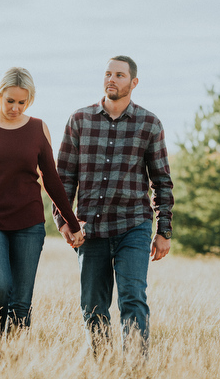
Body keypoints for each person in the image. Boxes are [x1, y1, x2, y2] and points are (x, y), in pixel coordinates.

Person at [54, 56, 174, 356]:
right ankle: (104, 365)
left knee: (133, 297)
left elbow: (161, 181)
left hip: (133, 224)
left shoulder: (149, 124)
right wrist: (64, 221)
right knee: (92, 304)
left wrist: (164, 230)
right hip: (90, 229)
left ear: (133, 82)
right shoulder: (79, 120)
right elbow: (63, 178)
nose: (112, 79)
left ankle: (135, 368)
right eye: (108, 73)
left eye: (120, 75)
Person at [0, 67, 84, 337]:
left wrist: (71, 222)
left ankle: (15, 359)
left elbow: (51, 180)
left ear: (30, 100)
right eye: (10, 101)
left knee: (21, 301)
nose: (15, 107)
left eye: (22, 102)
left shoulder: (38, 128)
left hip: (28, 223)